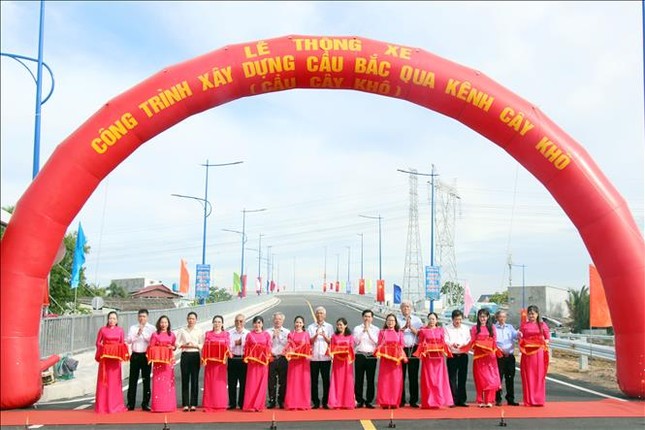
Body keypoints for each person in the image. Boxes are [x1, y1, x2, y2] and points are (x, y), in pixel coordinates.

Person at [414, 312, 453, 409]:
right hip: (428, 359)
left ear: (436, 320)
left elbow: (443, 342)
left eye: (433, 319)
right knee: (429, 380)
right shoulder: (423, 331)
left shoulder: (440, 330)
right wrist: (424, 347)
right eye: (430, 319)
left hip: (438, 359)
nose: (431, 321)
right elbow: (420, 343)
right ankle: (429, 401)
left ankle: (438, 401)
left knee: (438, 380)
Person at [94, 311, 129, 414]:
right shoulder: (103, 330)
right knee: (104, 382)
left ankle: (115, 405)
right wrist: (105, 349)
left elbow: (122, 344)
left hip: (115, 361)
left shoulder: (120, 331)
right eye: (110, 318)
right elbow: (98, 343)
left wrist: (117, 351)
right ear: (107, 319)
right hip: (105, 360)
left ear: (117, 320)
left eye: (114, 318)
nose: (112, 320)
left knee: (114, 383)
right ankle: (102, 406)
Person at [518, 305, 551, 406]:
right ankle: (529, 400)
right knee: (528, 376)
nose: (531, 315)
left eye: (533, 313)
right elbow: (520, 338)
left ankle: (538, 399)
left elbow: (547, 338)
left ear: (537, 314)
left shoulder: (542, 325)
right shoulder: (524, 325)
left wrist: (541, 343)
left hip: (538, 354)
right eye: (529, 313)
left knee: (538, 375)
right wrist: (520, 339)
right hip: (527, 354)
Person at [468, 308, 501, 407]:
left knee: (490, 378)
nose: (483, 318)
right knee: (480, 378)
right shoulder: (474, 328)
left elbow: (494, 341)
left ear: (487, 317)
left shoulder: (492, 328)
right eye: (481, 316)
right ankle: (480, 400)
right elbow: (473, 341)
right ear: (478, 317)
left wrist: (489, 348)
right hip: (479, 356)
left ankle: (489, 400)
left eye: (484, 316)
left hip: (490, 356)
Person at [375, 313, 407, 409]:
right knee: (385, 381)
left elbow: (402, 345)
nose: (390, 322)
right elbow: (379, 345)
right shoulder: (382, 332)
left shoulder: (399, 333)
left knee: (395, 381)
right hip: (385, 360)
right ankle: (384, 402)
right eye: (388, 320)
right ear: (386, 321)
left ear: (395, 322)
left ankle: (394, 401)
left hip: (396, 361)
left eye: (392, 320)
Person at [125, 308, 155, 411]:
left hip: (146, 356)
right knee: (133, 380)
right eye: (140, 316)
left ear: (147, 317)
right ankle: (130, 403)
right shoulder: (133, 328)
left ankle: (145, 403)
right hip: (135, 355)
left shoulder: (152, 328)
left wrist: (143, 334)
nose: (142, 318)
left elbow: (152, 341)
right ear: (137, 317)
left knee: (146, 380)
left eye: (144, 316)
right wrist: (138, 334)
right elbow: (128, 340)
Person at [242, 315, 272, 411]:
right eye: (255, 322)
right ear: (253, 324)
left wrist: (264, 353)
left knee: (261, 384)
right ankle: (250, 405)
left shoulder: (266, 335)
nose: (257, 324)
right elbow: (246, 347)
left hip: (262, 363)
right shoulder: (249, 335)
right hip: (253, 363)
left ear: (262, 324)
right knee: (252, 384)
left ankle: (259, 405)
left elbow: (269, 347)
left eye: (259, 322)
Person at [147, 315, 177, 413]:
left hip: (168, 363)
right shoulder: (155, 334)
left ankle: (169, 405)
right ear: (159, 324)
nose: (164, 324)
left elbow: (174, 346)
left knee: (168, 384)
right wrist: (161, 350)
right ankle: (158, 406)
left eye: (165, 322)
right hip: (158, 363)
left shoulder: (172, 334)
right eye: (162, 322)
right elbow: (151, 347)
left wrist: (173, 348)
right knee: (158, 383)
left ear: (168, 324)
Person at [202, 315, 231, 411]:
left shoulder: (226, 334)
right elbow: (205, 347)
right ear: (212, 323)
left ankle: (220, 404)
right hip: (210, 363)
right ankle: (209, 404)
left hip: (220, 363)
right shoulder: (208, 334)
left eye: (219, 322)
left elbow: (227, 347)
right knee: (210, 383)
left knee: (220, 384)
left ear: (222, 323)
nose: (217, 324)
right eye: (215, 322)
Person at [397, 300, 423, 407]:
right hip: (401, 350)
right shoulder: (396, 320)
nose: (406, 308)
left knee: (413, 375)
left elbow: (421, 335)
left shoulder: (417, 320)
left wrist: (412, 328)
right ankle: (401, 399)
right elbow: (393, 333)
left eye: (408, 307)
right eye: (404, 307)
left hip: (413, 349)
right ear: (401, 308)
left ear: (411, 308)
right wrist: (403, 329)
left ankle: (413, 400)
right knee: (400, 375)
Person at [176, 311, 203, 412]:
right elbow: (177, 343)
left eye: (193, 319)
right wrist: (184, 344)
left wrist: (195, 345)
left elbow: (202, 344)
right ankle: (185, 403)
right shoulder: (182, 330)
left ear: (196, 320)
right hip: (185, 355)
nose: (191, 320)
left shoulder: (199, 330)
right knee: (185, 379)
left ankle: (193, 404)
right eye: (189, 318)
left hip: (195, 354)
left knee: (195, 379)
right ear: (187, 319)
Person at [307, 306, 334, 409]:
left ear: (325, 315)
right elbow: (309, 342)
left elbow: (331, 342)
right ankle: (315, 402)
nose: (319, 315)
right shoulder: (311, 327)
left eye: (321, 313)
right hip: (313, 357)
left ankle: (325, 401)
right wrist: (315, 335)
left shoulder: (329, 327)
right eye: (318, 313)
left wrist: (323, 335)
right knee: (314, 381)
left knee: (325, 380)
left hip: (325, 357)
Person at [284, 315, 312, 410]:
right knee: (293, 381)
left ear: (303, 324)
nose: (298, 324)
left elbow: (308, 347)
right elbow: (288, 346)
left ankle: (303, 404)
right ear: (294, 323)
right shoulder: (291, 334)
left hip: (303, 362)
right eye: (297, 322)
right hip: (293, 361)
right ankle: (292, 403)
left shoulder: (306, 334)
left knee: (303, 382)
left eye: (300, 322)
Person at [352, 309, 379, 409]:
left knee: (370, 379)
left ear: (372, 318)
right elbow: (356, 341)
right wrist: (363, 331)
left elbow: (376, 342)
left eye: (369, 316)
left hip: (371, 355)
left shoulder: (376, 329)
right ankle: (359, 400)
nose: (367, 318)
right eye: (365, 316)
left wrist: (368, 330)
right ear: (362, 317)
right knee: (359, 379)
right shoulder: (357, 328)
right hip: (360, 355)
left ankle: (369, 400)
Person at [444, 309, 471, 407]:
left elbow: (469, 340)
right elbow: (446, 340)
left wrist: (463, 344)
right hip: (452, 355)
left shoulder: (466, 328)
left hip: (463, 354)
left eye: (459, 319)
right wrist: (452, 344)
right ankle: (453, 399)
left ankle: (462, 400)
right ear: (452, 319)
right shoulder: (447, 328)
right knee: (452, 378)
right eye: (456, 319)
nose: (458, 321)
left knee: (462, 377)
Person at [328, 317, 355, 409]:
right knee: (337, 381)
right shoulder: (334, 336)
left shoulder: (350, 336)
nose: (339, 326)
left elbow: (351, 348)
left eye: (341, 325)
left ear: (345, 325)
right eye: (338, 324)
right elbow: (331, 348)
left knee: (347, 381)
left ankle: (347, 402)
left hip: (347, 362)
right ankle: (336, 402)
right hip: (337, 362)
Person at [494, 310, 520, 406]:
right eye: (500, 317)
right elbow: (492, 341)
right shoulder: (493, 328)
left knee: (510, 378)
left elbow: (515, 336)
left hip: (509, 356)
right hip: (498, 356)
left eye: (504, 317)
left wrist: (520, 333)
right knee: (498, 378)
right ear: (496, 318)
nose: (502, 319)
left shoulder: (510, 327)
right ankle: (498, 398)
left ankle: (510, 398)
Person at [266, 311, 289, 409]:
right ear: (273, 320)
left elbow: (288, 345)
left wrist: (279, 336)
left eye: (279, 319)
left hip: (282, 358)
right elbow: (266, 344)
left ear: (283, 320)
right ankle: (271, 400)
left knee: (283, 381)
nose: (277, 321)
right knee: (271, 381)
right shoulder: (268, 332)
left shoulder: (287, 332)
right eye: (276, 319)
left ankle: (281, 400)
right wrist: (273, 336)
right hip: (272, 358)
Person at [228, 313, 249, 409]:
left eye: (241, 321)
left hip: (243, 359)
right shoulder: (229, 333)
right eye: (237, 321)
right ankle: (232, 403)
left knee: (243, 382)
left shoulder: (248, 333)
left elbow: (248, 346)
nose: (238, 323)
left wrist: (241, 343)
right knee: (232, 382)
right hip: (232, 358)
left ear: (244, 322)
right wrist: (236, 343)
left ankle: (241, 403)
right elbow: (227, 346)